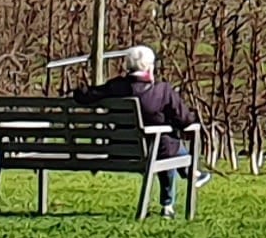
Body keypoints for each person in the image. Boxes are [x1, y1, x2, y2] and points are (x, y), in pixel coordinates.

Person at [73, 44, 204, 156]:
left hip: (121, 149)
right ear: (149, 67)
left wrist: (79, 88)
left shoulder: (115, 87)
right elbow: (185, 120)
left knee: (165, 142)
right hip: (155, 150)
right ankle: (188, 175)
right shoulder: (162, 91)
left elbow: (84, 96)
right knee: (166, 143)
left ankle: (192, 173)